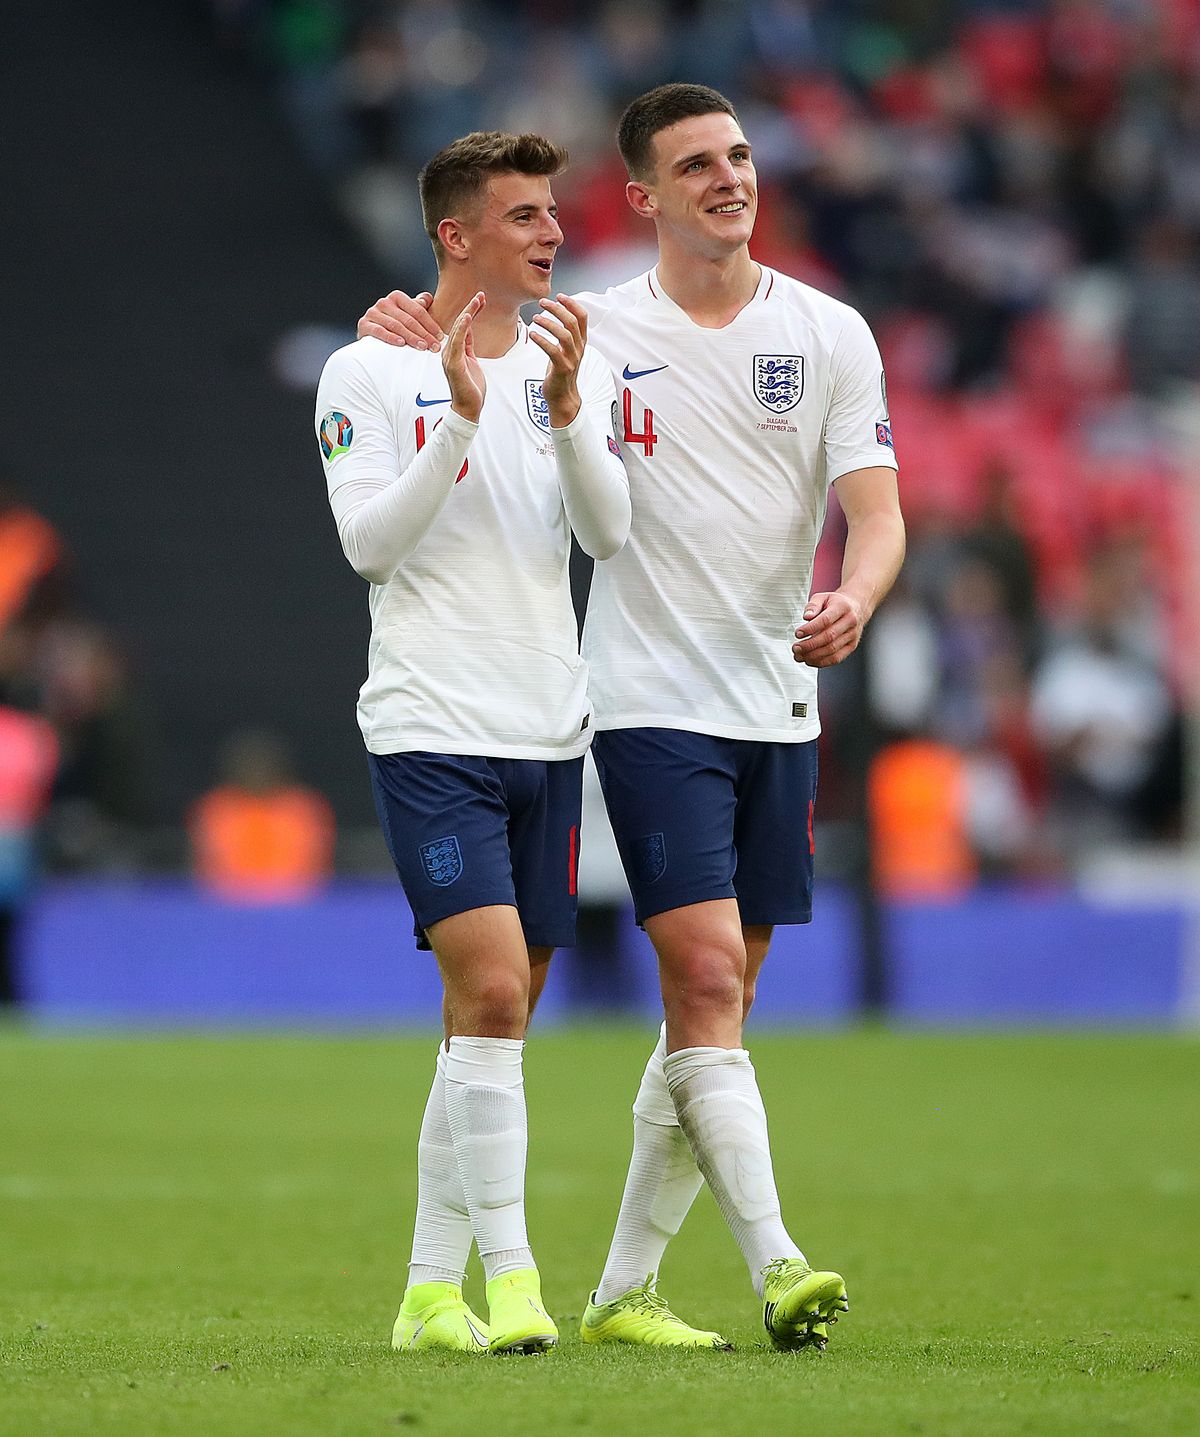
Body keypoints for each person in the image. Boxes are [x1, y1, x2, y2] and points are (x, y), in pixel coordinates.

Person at [356, 83, 905, 1351]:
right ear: (646, 197)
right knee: (704, 974)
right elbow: (455, 321)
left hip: (781, 701)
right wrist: (392, 324)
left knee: (715, 1012)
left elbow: (873, 512)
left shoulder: (829, 333)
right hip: (646, 700)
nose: (732, 178)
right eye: (698, 164)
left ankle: (622, 1290)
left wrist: (857, 597)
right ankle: (777, 1266)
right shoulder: (588, 325)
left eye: (743, 156)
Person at [316, 131, 630, 1356]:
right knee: (493, 991)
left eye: (551, 213)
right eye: (523, 217)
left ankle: (424, 1295)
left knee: (486, 1021)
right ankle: (515, 1285)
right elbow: (368, 547)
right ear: (457, 237)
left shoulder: (571, 366)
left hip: (548, 731)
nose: (552, 232)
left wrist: (558, 412)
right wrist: (456, 421)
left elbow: (603, 535)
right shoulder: (369, 373)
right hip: (431, 725)